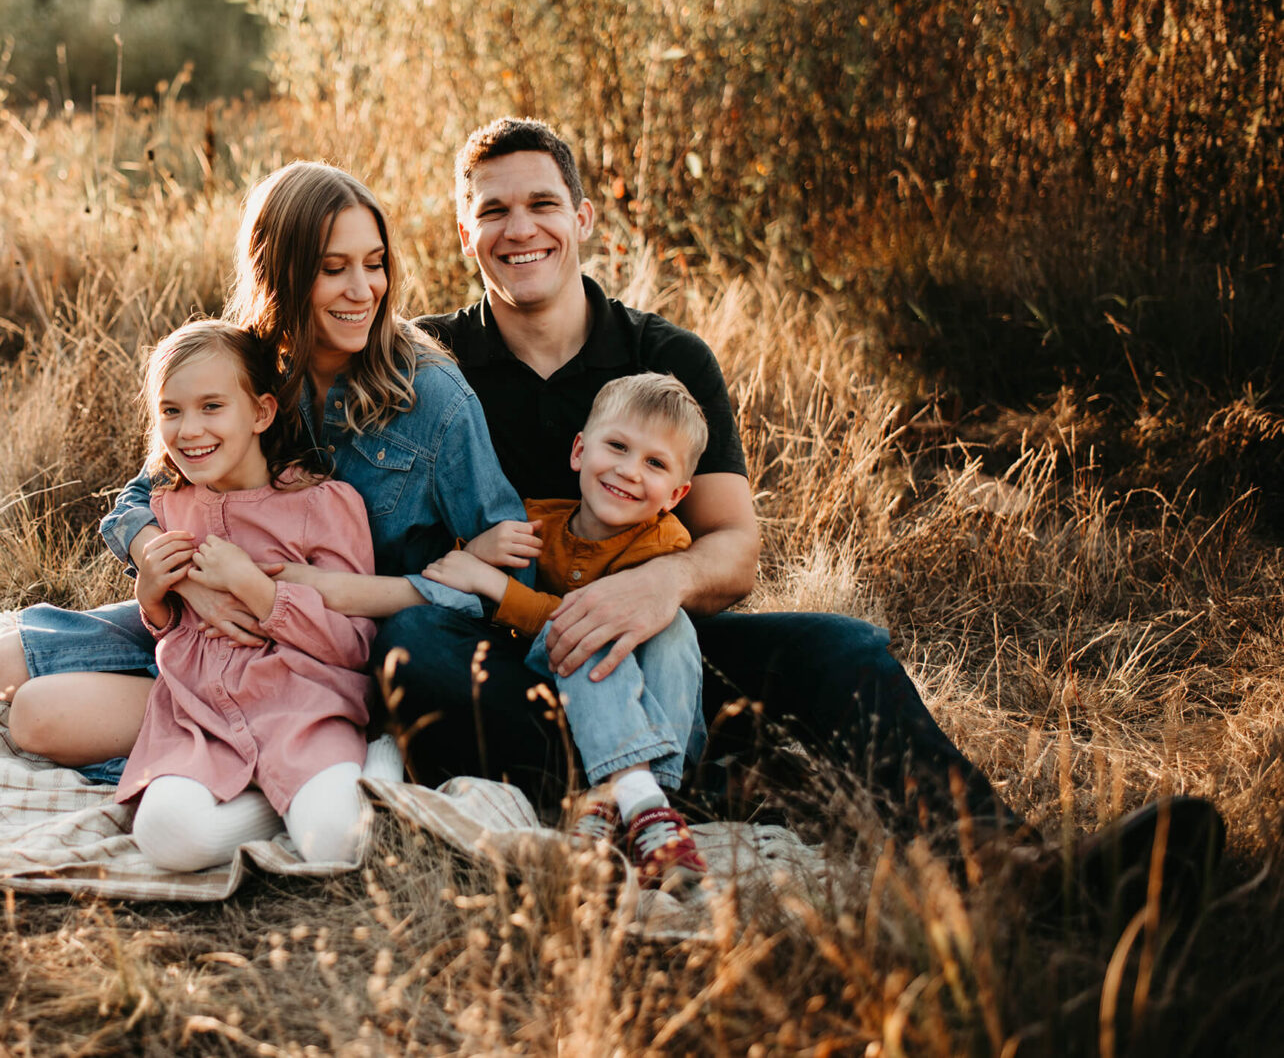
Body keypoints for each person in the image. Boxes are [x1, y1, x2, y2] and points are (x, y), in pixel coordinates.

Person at [400, 116, 1224, 911]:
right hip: (504, 660)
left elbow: (736, 548)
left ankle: (1018, 871)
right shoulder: (428, 362)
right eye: (493, 210)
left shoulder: (665, 358)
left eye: (542, 204)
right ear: (465, 234)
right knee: (410, 651)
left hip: (661, 653)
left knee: (842, 647)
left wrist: (659, 587)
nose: (521, 229)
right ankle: (696, 783)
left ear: (580, 217)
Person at [0, 160, 529, 804]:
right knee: (3, 663)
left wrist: (351, 588)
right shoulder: (251, 366)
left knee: (41, 710)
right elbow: (138, 496)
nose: (363, 289)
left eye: (374, 263)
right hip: (214, 625)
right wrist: (188, 584)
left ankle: (253, 738)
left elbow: (499, 595)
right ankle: (217, 726)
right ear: (281, 271)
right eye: (333, 268)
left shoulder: (431, 398)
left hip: (333, 649)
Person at [422, 370, 713, 889]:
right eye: (617, 446)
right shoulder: (534, 525)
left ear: (676, 492)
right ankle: (640, 810)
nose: (628, 471)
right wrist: (479, 561)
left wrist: (497, 588)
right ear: (580, 449)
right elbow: (459, 575)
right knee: (581, 630)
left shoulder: (662, 545)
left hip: (658, 726)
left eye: (654, 463)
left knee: (657, 626)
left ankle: (637, 801)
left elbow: (580, 619)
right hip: (557, 717)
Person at [116, 320, 376, 870]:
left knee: (336, 842)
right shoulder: (167, 509)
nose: (189, 430)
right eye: (171, 410)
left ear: (260, 413)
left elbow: (354, 646)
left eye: (212, 406)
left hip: (302, 709)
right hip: (202, 717)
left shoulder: (325, 504)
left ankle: (379, 760)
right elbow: (174, 632)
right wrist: (154, 597)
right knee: (163, 834)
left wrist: (258, 590)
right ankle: (270, 804)